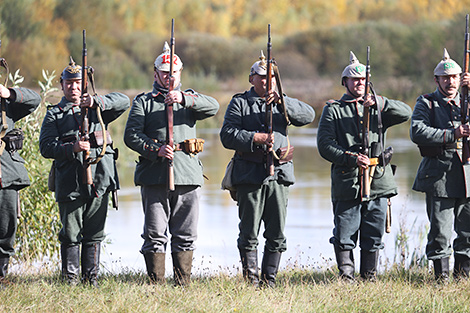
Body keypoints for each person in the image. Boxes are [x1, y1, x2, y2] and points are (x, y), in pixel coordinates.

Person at [123, 42, 219, 286]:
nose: (169, 77)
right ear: (155, 73)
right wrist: (156, 149)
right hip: (154, 174)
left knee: (185, 234)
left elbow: (214, 106)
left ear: (180, 74)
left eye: (174, 73)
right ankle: (156, 284)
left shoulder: (189, 99)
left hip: (186, 174)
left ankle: (182, 283)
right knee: (155, 234)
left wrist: (184, 99)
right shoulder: (143, 102)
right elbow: (131, 135)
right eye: (165, 72)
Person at [219, 51, 315, 287]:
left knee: (276, 233)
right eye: (261, 77)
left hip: (280, 175)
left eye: (271, 77)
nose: (266, 81)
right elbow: (227, 136)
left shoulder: (284, 102)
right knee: (249, 232)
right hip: (249, 174)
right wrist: (256, 138)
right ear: (251, 78)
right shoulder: (239, 102)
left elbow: (309, 115)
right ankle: (251, 281)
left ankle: (269, 280)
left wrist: (283, 101)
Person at [317, 51, 411, 281]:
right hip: (347, 179)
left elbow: (406, 112)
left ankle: (369, 278)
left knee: (373, 231)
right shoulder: (333, 109)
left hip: (378, 179)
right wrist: (349, 157)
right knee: (345, 232)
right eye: (355, 80)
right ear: (345, 82)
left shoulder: (378, 107)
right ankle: (346, 278)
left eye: (363, 80)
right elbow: (325, 145)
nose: (359, 84)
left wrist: (380, 102)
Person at [39, 58, 130, 286]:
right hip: (69, 181)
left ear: (84, 84)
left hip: (100, 178)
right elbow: (46, 147)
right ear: (62, 85)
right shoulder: (55, 114)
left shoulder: (98, 109)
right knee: (70, 233)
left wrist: (96, 101)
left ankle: (91, 280)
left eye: (78, 83)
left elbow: (124, 101)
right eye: (69, 83)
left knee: (95, 231)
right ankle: (69, 281)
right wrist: (72, 148)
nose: (73, 87)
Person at [410, 48, 470, 281]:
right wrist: (452, 133)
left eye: (454, 77)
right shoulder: (427, 102)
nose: (450, 81)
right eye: (445, 78)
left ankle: (463, 276)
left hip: (467, 174)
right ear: (436, 80)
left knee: (467, 231)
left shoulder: (467, 99)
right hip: (440, 176)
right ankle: (441, 279)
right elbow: (417, 131)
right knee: (440, 232)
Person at [0, 80, 40, 282]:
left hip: (6, 175)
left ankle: (1, 276)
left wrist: (8, 93)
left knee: (6, 230)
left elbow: (34, 100)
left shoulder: (6, 104)